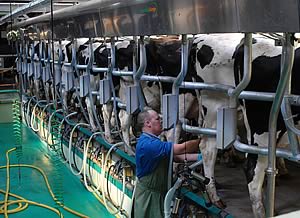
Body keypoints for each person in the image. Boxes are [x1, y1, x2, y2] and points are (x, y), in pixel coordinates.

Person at [134, 108, 201, 218]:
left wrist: (200, 157)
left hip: (160, 193)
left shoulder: (154, 141)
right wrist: (203, 140)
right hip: (149, 198)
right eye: (157, 119)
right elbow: (180, 149)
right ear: (148, 123)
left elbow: (175, 157)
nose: (161, 121)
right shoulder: (148, 145)